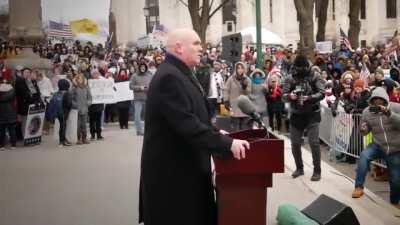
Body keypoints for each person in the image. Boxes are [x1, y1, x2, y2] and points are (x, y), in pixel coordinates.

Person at [139, 28, 250, 225]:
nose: (202, 48)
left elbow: (195, 117)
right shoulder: (169, 77)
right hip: (174, 181)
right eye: (196, 44)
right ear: (179, 48)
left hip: (185, 175)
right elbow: (187, 125)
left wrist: (217, 132)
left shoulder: (180, 73)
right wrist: (226, 144)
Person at [352, 87, 400, 209]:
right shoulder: (367, 112)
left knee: (395, 178)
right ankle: (358, 187)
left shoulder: (395, 107)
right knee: (364, 156)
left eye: (380, 99)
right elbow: (364, 131)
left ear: (385, 100)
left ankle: (394, 201)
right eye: (375, 100)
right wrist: (363, 129)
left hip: (395, 148)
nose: (377, 102)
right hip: (378, 145)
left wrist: (388, 113)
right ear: (371, 101)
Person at [282, 55, 325, 181]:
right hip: (296, 114)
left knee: (314, 142)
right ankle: (299, 168)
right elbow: (283, 95)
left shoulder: (314, 75)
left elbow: (322, 92)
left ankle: (317, 170)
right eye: (298, 67)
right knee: (295, 143)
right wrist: (290, 96)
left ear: (307, 66)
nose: (300, 70)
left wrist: (310, 98)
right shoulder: (290, 78)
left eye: (303, 67)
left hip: (312, 113)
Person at [129, 62, 152, 135]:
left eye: (144, 67)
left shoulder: (149, 75)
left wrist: (148, 88)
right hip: (138, 98)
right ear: (139, 68)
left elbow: (152, 85)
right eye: (141, 67)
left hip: (147, 98)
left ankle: (148, 130)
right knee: (137, 116)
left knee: (148, 116)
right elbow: (131, 86)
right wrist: (139, 87)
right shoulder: (134, 76)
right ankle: (139, 130)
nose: (143, 68)